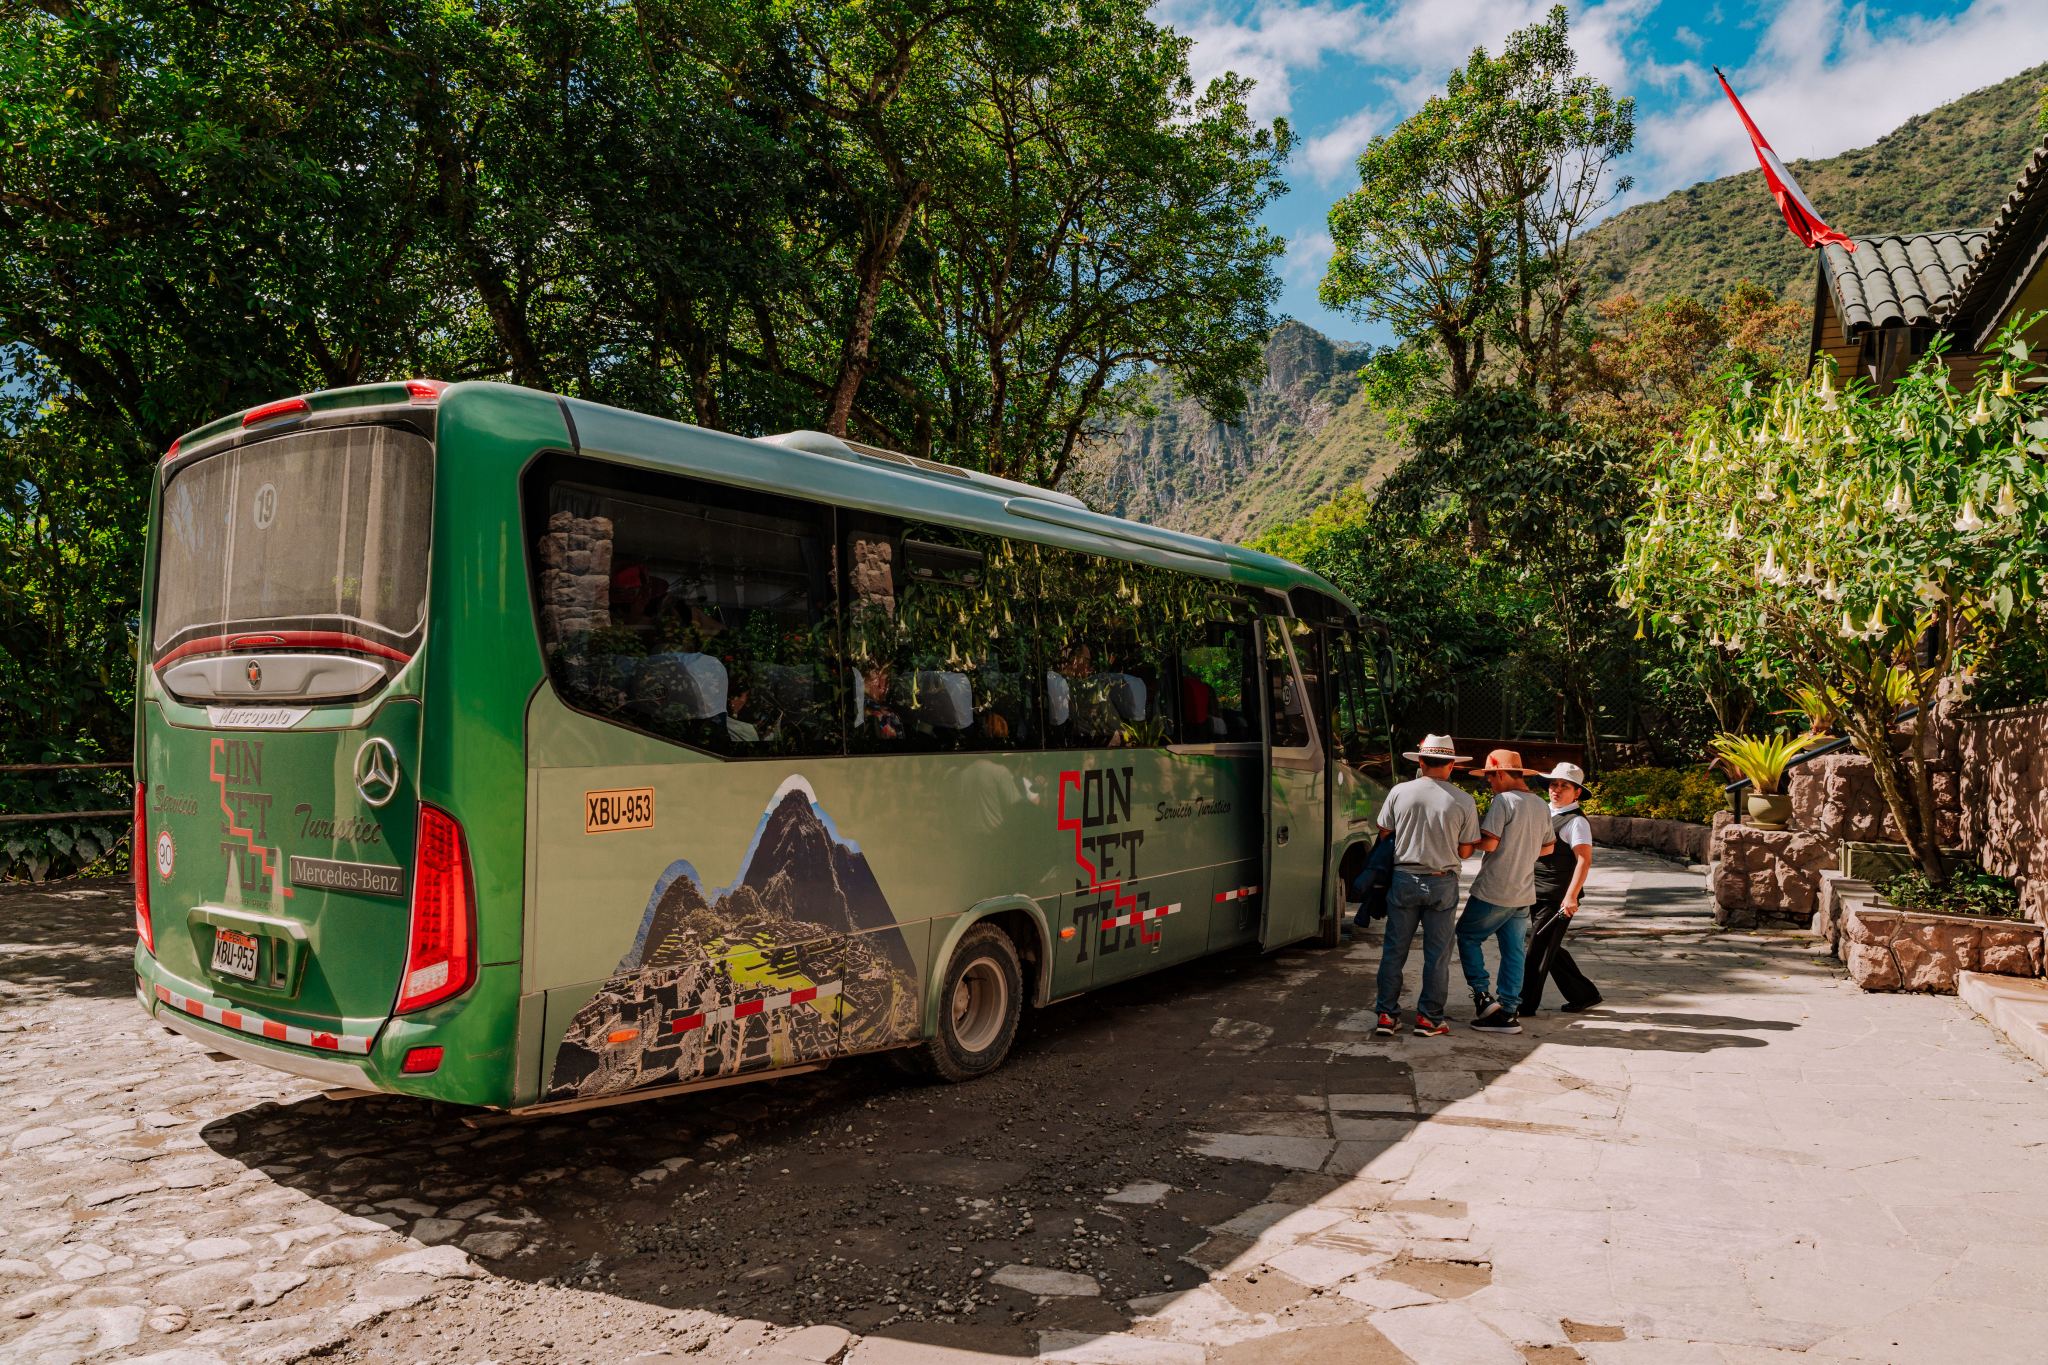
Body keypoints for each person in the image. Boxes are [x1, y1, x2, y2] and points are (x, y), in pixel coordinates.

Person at [1371, 734, 1480, 1038]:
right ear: (1452, 766)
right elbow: (1466, 850)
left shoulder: (1399, 791)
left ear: (1420, 761)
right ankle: (1429, 1018)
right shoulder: (1463, 800)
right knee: (1438, 954)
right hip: (1442, 882)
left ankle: (1386, 1014)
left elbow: (1384, 832)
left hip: (1403, 879)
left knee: (1394, 950)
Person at [1455, 750, 1555, 1034]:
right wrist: (1523, 849)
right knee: (1513, 950)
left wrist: (1465, 840)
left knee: (1467, 935)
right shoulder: (1540, 804)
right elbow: (1548, 848)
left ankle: (1483, 998)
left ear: (1499, 773)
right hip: (1523, 890)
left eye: (1489, 777)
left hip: (1496, 887)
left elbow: (1489, 844)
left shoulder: (1503, 801)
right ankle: (1509, 1011)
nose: (1489, 783)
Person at [1524, 762, 1603, 1014]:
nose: (1556, 790)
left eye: (1564, 786)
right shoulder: (1547, 813)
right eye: (1553, 784)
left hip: (1557, 896)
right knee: (1548, 945)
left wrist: (1571, 897)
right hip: (1537, 891)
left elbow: (1584, 859)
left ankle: (1524, 1004)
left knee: (1537, 948)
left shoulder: (1576, 822)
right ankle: (1584, 994)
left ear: (1576, 792)